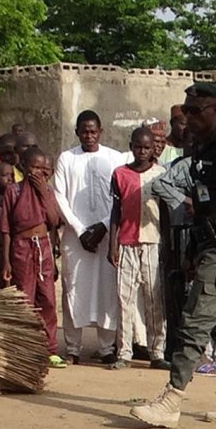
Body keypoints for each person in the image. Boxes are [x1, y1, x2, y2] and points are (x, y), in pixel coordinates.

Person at [132, 82, 216, 426]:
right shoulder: (200, 150)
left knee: (193, 322)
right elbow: (201, 208)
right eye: (185, 111)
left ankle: (172, 398)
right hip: (206, 244)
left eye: (195, 111)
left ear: (214, 111)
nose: (187, 117)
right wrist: (191, 253)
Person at [53, 110, 127, 362]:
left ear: (101, 131)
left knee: (108, 290)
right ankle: (73, 348)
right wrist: (81, 230)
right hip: (76, 238)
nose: (89, 135)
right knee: (73, 290)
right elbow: (59, 196)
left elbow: (120, 198)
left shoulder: (114, 159)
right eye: (84, 131)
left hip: (107, 237)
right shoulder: (66, 158)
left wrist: (104, 227)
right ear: (77, 132)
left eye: (93, 131)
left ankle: (107, 348)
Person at [110, 124, 168, 365]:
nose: (142, 151)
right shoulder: (119, 174)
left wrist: (168, 246)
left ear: (153, 148)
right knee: (125, 299)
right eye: (138, 147)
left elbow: (165, 212)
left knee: (155, 299)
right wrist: (112, 245)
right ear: (131, 147)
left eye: (147, 147)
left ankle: (157, 352)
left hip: (153, 241)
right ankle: (124, 352)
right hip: (126, 242)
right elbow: (115, 210)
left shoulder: (161, 173)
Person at [0, 149, 68, 358]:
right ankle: (23, 348)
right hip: (21, 247)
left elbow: (55, 221)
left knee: (47, 298)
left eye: (42, 168)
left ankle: (49, 348)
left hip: (43, 246)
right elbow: (6, 229)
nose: (38, 172)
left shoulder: (48, 191)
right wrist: (6, 261)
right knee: (24, 297)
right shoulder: (14, 191)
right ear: (24, 167)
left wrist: (42, 192)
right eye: (34, 167)